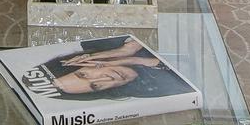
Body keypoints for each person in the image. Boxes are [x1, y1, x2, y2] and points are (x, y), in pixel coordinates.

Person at [40, 36, 190, 100]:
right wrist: (133, 59)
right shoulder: (148, 90)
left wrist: (122, 51)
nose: (106, 79)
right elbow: (187, 66)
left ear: (79, 63)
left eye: (83, 75)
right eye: (96, 86)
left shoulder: (96, 43)